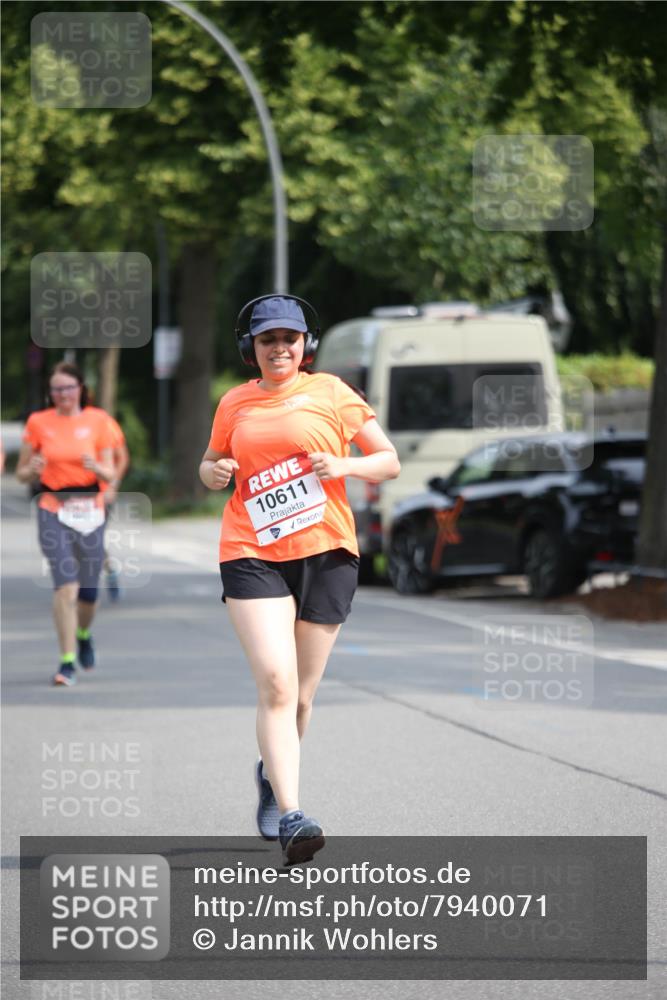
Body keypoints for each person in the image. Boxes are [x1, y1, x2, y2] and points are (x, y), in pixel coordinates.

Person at [199, 295, 400, 865]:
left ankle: (270, 774)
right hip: (251, 551)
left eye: (289, 338)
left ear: (304, 344)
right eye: (268, 339)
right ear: (252, 348)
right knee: (276, 684)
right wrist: (214, 471)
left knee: (302, 698)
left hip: (325, 552)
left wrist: (346, 465)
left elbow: (388, 460)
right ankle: (293, 815)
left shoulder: (332, 392)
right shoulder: (234, 402)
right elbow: (209, 465)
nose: (279, 348)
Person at [16, 362, 115, 686]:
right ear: (50, 393)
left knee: (88, 594)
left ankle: (83, 634)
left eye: (68, 388)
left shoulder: (98, 421)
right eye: (56, 389)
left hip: (90, 510)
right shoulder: (38, 422)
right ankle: (67, 661)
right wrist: (33, 468)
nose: (63, 394)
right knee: (66, 587)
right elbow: (21, 474)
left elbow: (111, 472)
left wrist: (97, 467)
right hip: (53, 508)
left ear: (80, 389)